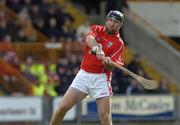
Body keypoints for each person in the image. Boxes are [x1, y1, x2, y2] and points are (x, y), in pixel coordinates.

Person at [49, 10, 125, 125]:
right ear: (106, 20)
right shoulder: (97, 29)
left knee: (105, 117)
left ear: (120, 25)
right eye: (110, 20)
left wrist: (108, 63)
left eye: (116, 22)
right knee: (61, 108)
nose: (112, 23)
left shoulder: (119, 43)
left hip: (101, 79)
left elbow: (112, 67)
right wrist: (98, 49)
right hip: (84, 75)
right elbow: (89, 39)